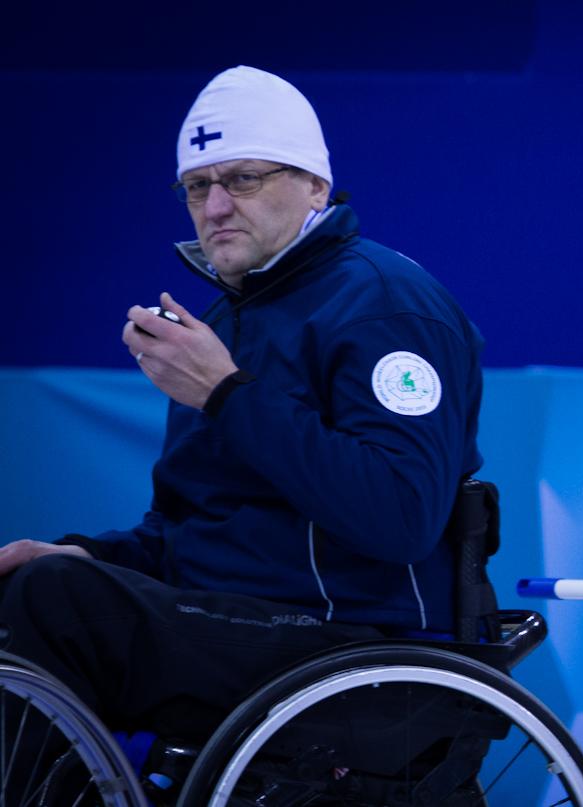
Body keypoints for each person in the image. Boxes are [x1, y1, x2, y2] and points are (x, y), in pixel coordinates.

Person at [0, 65, 485, 762]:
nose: (216, 205)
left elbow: (401, 516)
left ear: (314, 185)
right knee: (33, 579)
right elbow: (188, 528)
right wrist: (90, 554)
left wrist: (227, 394)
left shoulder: (384, 305)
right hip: (232, 621)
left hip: (350, 642)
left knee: (54, 602)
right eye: (198, 185)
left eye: (243, 179)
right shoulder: (224, 320)